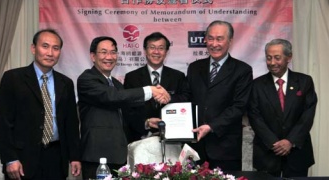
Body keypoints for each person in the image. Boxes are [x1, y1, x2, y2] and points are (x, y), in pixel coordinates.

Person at [77, 36, 170, 179]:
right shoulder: (86, 79)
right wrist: (149, 90)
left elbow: (124, 115)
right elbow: (111, 97)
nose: (109, 57)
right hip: (97, 157)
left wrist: (146, 123)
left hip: (119, 156)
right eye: (104, 52)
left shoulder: (116, 84)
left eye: (113, 52)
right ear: (93, 56)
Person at [0, 29, 81, 180]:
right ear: (33, 48)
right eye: (45, 46)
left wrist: (74, 157)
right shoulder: (13, 78)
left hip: (56, 157)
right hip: (22, 159)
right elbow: (3, 122)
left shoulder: (65, 83)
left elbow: (71, 124)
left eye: (56, 48)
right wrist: (10, 158)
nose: (50, 53)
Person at [186, 20, 253, 171]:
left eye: (219, 38)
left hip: (225, 148)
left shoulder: (242, 70)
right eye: (210, 38)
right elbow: (187, 97)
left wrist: (211, 126)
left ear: (230, 41)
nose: (214, 43)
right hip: (196, 147)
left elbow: (239, 107)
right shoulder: (195, 68)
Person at [248, 39, 317, 178]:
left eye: (277, 58)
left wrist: (290, 141)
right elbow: (254, 116)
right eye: (269, 58)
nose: (272, 62)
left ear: (289, 57)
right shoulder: (256, 85)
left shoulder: (304, 82)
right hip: (267, 153)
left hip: (297, 153)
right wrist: (274, 143)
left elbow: (307, 115)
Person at [124, 32, 187, 143]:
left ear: (166, 52)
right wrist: (146, 122)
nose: (156, 52)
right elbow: (127, 109)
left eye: (161, 48)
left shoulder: (178, 76)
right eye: (152, 47)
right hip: (140, 138)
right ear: (145, 51)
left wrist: (169, 99)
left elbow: (185, 101)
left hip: (171, 139)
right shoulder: (132, 77)